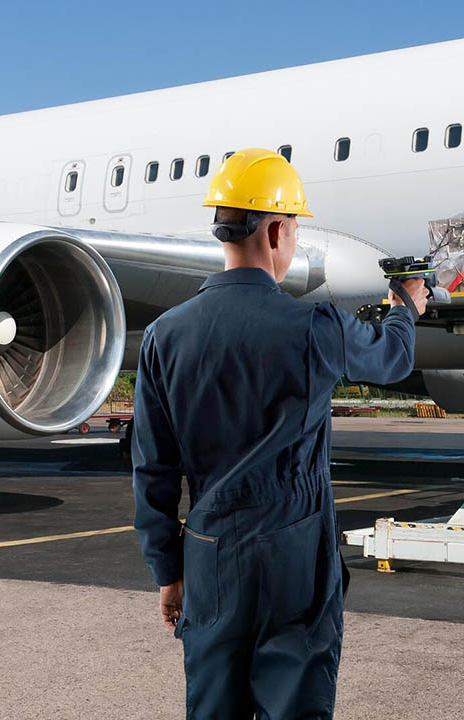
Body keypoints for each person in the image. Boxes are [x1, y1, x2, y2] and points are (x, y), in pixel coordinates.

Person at [131, 147, 427, 718]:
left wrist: (168, 571)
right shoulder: (314, 326)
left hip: (209, 552)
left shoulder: (163, 337)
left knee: (214, 704)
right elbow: (390, 360)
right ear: (275, 232)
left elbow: (153, 471)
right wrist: (405, 307)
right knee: (295, 700)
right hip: (293, 550)